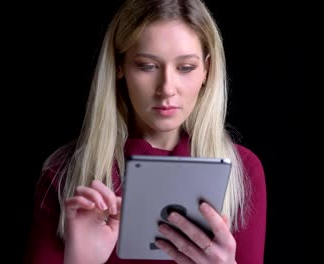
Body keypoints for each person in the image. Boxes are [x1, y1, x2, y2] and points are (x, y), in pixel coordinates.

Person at [24, 0, 266, 263]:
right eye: (147, 66)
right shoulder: (64, 174)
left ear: (207, 69)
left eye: (185, 67)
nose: (167, 88)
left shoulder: (242, 171)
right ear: (120, 66)